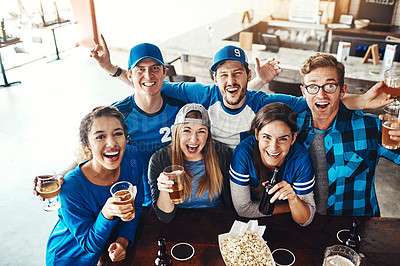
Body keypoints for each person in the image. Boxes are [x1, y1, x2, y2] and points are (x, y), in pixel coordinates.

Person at [296, 53, 400, 216]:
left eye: (330, 86)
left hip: (358, 228)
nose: (321, 95)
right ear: (303, 91)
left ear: (342, 90)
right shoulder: (290, 129)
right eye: (313, 87)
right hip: (305, 225)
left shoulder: (371, 127)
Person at [45, 106, 144, 265]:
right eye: (100, 137)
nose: (111, 143)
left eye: (118, 134)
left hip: (106, 252)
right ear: (87, 145)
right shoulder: (71, 188)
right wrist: (107, 212)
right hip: (70, 257)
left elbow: (136, 206)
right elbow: (89, 244)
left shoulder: (132, 159)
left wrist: (123, 240)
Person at [229, 103, 315, 226]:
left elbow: (305, 219)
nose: (274, 147)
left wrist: (293, 198)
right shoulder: (243, 153)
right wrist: (290, 207)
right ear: (257, 134)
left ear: (293, 138)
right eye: (266, 137)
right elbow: (243, 209)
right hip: (250, 226)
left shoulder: (300, 159)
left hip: (288, 225)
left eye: (283, 138)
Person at [148, 103, 233, 223]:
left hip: (217, 221)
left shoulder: (223, 155)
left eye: (201, 131)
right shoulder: (159, 160)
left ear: (208, 134)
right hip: (178, 223)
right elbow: (165, 217)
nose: (194, 139)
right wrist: (164, 189)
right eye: (187, 130)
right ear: (177, 132)